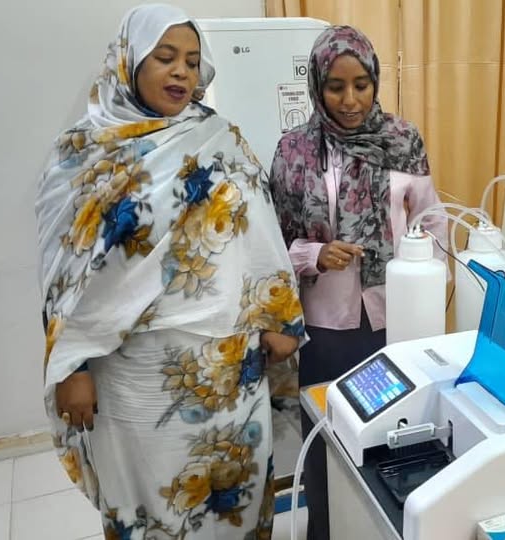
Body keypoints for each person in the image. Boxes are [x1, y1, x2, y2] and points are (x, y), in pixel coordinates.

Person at [36, 5, 304, 539]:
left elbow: (259, 230)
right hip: (134, 377)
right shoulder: (81, 154)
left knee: (234, 502)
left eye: (191, 61)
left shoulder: (219, 138)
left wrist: (280, 317)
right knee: (152, 509)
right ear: (129, 61)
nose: (181, 71)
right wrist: (71, 368)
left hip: (229, 370)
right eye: (165, 57)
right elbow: (62, 271)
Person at [269, 25, 447, 540]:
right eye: (336, 87)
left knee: (397, 438)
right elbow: (271, 245)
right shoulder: (294, 151)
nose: (350, 100)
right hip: (326, 327)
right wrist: (314, 255)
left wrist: (430, 283)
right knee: (327, 441)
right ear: (316, 86)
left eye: (361, 85)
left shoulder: (403, 140)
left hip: (397, 319)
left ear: (375, 81)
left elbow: (433, 220)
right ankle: (327, 530)